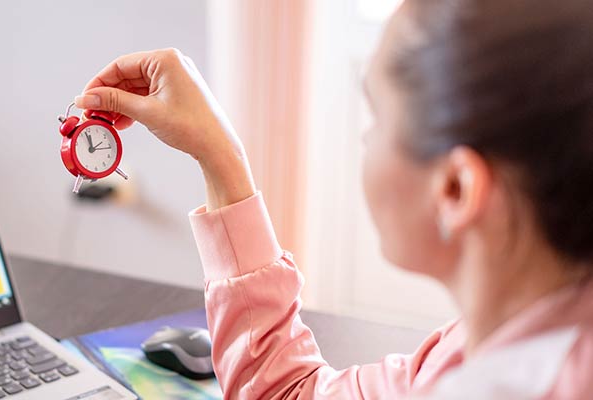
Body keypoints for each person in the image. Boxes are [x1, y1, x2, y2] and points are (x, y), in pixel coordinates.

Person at [74, 0, 593, 398]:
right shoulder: (488, 347)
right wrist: (219, 155)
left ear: (455, 189)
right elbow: (288, 392)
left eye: (379, 119)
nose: (366, 140)